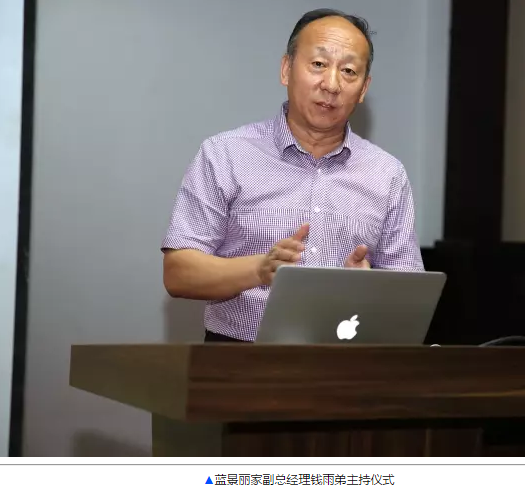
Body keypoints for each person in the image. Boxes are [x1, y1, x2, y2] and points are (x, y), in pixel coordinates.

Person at [161, 8, 424, 343]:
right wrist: (260, 269)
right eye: (318, 64)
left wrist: (369, 288)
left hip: (346, 361)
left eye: (348, 71)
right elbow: (179, 273)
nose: (331, 84)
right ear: (286, 69)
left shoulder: (387, 174)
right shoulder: (225, 154)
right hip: (239, 358)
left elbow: (411, 298)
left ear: (363, 89)